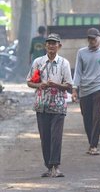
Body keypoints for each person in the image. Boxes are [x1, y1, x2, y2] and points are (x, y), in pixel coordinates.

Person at [26, 33, 73, 178]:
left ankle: (56, 167)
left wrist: (56, 85)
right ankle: (48, 167)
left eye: (54, 43)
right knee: (45, 137)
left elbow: (69, 85)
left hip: (58, 105)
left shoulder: (64, 63)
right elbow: (29, 82)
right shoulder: (38, 62)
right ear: (45, 45)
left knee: (56, 137)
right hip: (41, 105)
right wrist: (40, 84)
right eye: (49, 43)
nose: (51, 46)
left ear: (59, 46)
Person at [72, 28, 100, 156]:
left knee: (97, 117)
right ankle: (91, 142)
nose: (92, 41)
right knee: (87, 118)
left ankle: (93, 145)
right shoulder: (81, 53)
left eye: (94, 38)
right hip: (85, 89)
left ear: (99, 38)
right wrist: (75, 89)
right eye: (90, 39)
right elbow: (78, 72)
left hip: (99, 88)